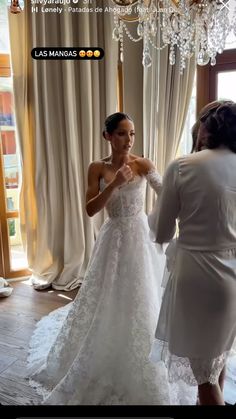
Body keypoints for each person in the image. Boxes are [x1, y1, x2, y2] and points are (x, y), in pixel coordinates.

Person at [27, 112, 172, 405]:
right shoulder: (97, 168)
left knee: (141, 295)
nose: (128, 140)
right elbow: (91, 209)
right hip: (113, 236)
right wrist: (116, 183)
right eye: (121, 133)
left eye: (131, 134)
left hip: (139, 236)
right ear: (107, 136)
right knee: (108, 294)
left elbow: (168, 194)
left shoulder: (143, 163)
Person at [149, 102, 236, 405]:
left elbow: (160, 233)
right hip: (233, 276)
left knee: (205, 379)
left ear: (207, 128)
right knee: (217, 358)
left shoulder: (184, 165)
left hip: (198, 276)